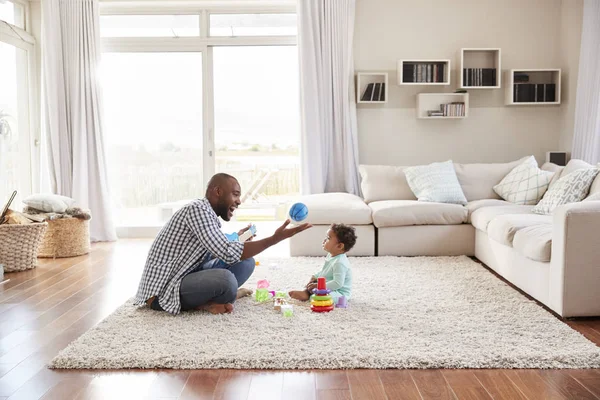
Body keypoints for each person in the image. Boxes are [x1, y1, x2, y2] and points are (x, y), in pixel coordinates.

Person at [134, 173, 312, 315]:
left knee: (246, 262)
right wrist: (275, 239)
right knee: (226, 281)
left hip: (185, 275)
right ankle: (205, 304)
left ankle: (215, 298)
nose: (239, 201)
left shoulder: (206, 214)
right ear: (217, 191)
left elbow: (216, 246)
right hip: (163, 290)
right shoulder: (197, 210)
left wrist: (238, 238)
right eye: (235, 194)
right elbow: (226, 252)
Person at [289, 223, 356, 303]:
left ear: (339, 246)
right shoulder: (330, 255)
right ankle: (306, 292)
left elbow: (337, 283)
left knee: (320, 297)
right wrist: (315, 276)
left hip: (339, 292)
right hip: (328, 285)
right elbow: (325, 271)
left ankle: (308, 295)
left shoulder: (340, 263)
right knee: (313, 284)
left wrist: (319, 286)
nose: (324, 240)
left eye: (328, 238)